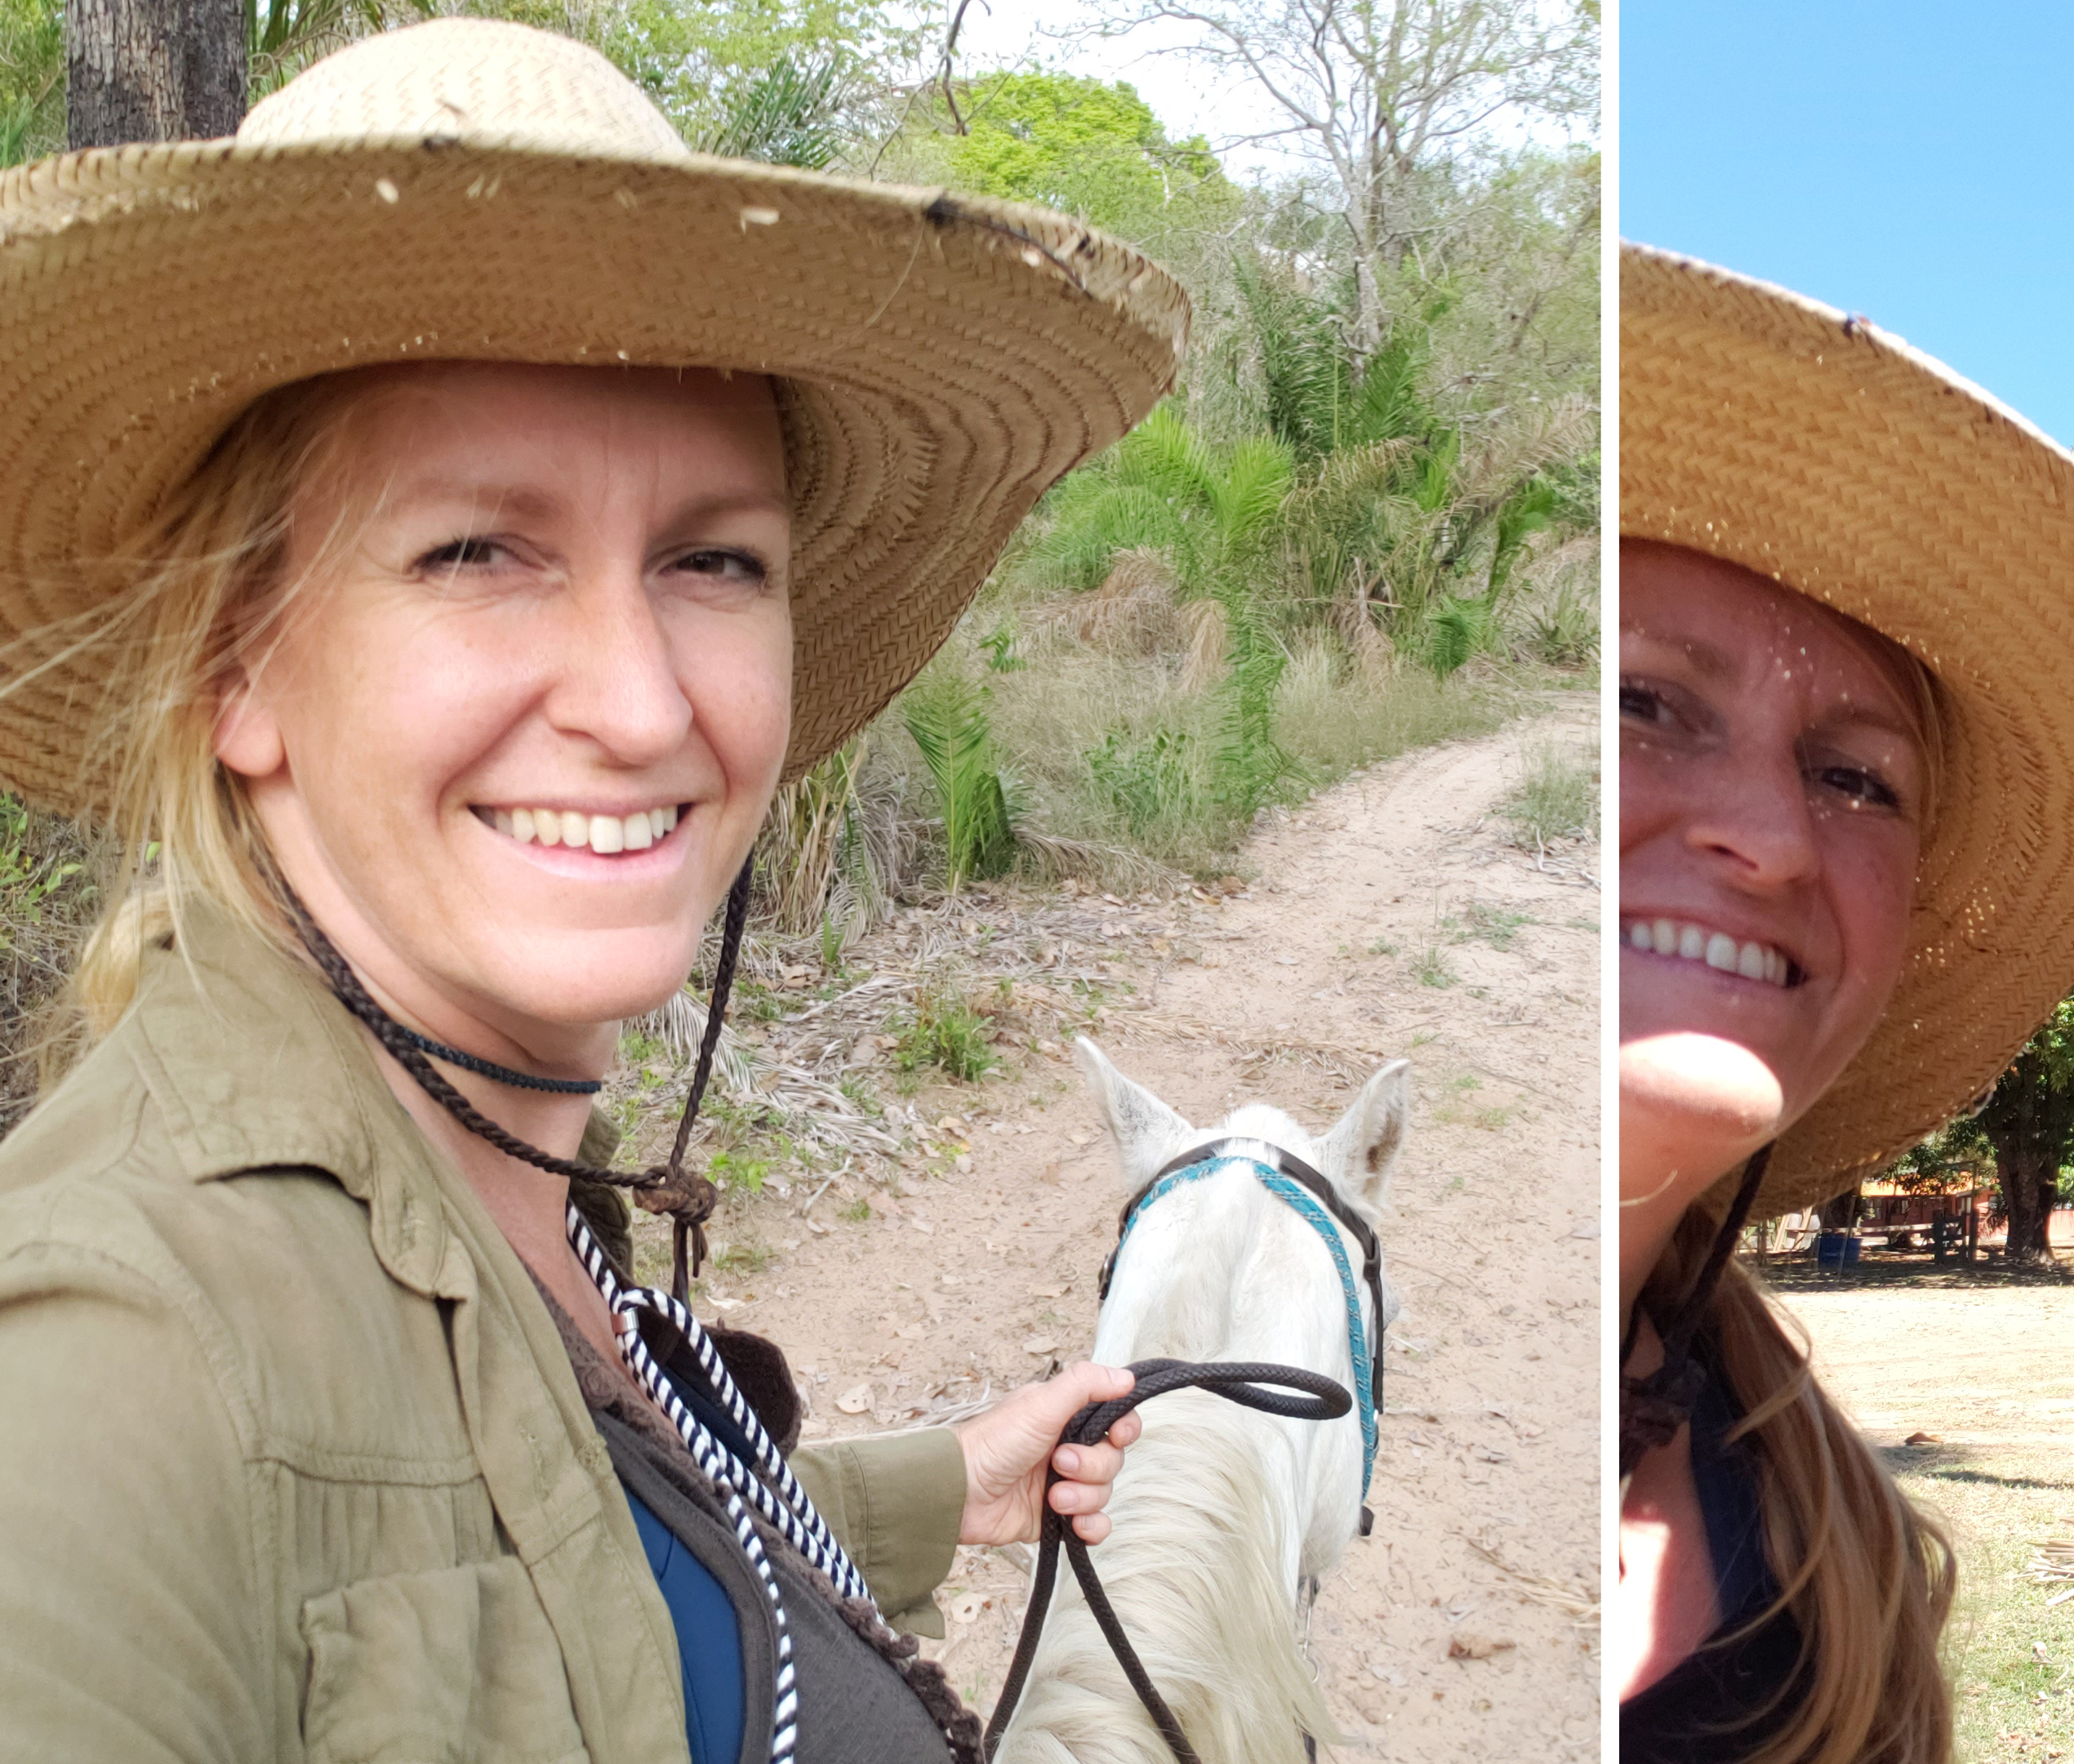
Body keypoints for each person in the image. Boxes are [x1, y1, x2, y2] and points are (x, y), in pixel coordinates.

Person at [0, 21, 1190, 1763]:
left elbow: (553, 1549)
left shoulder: (497, 1189)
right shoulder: (114, 1375)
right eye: (479, 551)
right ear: (235, 663)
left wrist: (943, 1491)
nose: (639, 706)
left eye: (714, 559)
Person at [1615, 244, 2074, 1763]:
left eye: (1856, 778)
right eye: (1646, 701)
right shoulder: (1279, 1385)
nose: (1775, 839)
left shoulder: (1834, 1571)